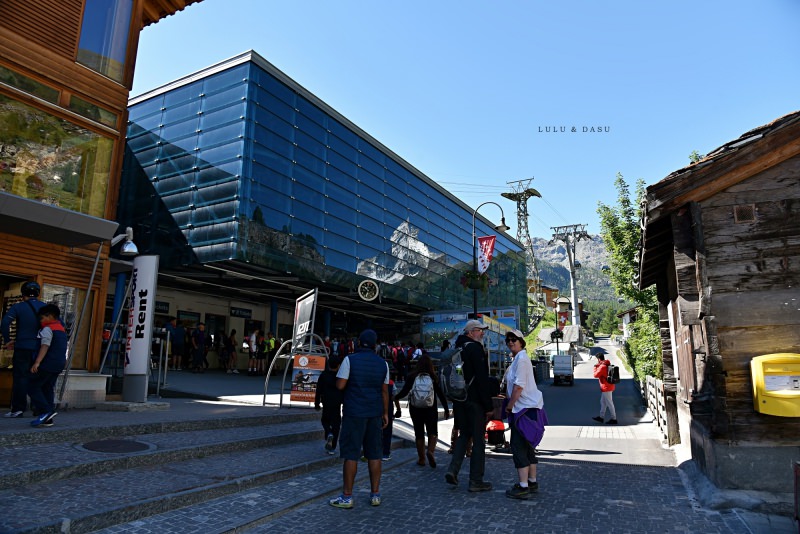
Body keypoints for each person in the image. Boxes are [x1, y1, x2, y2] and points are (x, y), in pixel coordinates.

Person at [329, 329, 389, 509]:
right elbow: (384, 391)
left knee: (351, 454)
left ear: (357, 343)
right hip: (375, 413)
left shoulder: (349, 360)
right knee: (375, 454)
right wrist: (385, 413)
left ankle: (347, 496)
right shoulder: (382, 364)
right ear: (375, 344)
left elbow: (340, 385)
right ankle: (375, 494)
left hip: (354, 413)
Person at [445, 320, 494, 493]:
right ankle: (476, 480)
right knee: (478, 440)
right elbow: (481, 378)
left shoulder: (457, 348)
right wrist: (488, 405)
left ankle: (453, 469)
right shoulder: (475, 348)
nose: (483, 333)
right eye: (480, 330)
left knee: (464, 434)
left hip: (460, 399)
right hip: (474, 401)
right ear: (471, 332)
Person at [503, 329, 546, 500]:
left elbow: (519, 386)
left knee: (518, 446)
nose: (511, 342)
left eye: (514, 339)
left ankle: (523, 487)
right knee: (528, 447)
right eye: (508, 340)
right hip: (529, 408)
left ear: (521, 342)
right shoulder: (519, 359)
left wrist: (510, 405)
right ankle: (532, 481)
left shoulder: (521, 360)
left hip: (523, 409)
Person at [395, 353, 450, 468]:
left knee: (419, 433)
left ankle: (421, 459)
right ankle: (430, 451)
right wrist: (446, 408)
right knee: (432, 432)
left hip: (415, 409)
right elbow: (440, 394)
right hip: (431, 408)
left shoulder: (412, 376)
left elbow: (405, 391)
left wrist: (395, 397)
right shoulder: (433, 377)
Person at [1, 281, 44, 418]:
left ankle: (18, 408)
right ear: (38, 293)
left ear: (23, 293)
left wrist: (8, 340)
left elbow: (5, 323)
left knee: (20, 377)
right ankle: (38, 408)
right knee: (38, 378)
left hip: (22, 347)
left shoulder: (18, 307)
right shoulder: (45, 307)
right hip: (40, 349)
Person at [28, 303, 67, 427]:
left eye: (42, 318)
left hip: (47, 363)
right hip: (59, 363)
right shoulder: (61, 329)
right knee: (47, 388)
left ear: (50, 316)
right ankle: (48, 419)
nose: (41, 321)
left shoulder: (48, 329)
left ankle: (46, 412)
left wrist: (37, 362)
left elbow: (45, 345)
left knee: (32, 386)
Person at [315, 355, 344, 455]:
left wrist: (317, 404)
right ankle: (332, 447)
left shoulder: (323, 375)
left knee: (325, 420)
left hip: (326, 402)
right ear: (338, 365)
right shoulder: (340, 377)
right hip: (337, 403)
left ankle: (328, 432)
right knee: (336, 424)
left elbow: (318, 391)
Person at [592, 352, 617, 424]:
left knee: (609, 403)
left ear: (599, 359)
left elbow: (595, 375)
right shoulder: (607, 364)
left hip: (606, 387)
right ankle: (601, 417)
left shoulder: (602, 366)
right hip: (608, 386)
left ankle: (614, 419)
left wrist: (595, 367)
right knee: (603, 402)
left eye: (597, 359)